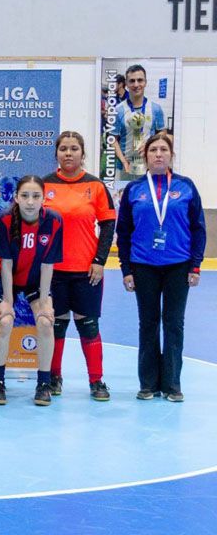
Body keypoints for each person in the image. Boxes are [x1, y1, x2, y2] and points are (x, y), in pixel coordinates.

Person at [116, 133, 206, 402]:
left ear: (171, 155)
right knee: (148, 323)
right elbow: (124, 232)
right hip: (143, 266)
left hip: (178, 266)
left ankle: (172, 385)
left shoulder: (186, 186)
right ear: (145, 156)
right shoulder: (134, 190)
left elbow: (198, 229)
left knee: (174, 324)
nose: (158, 154)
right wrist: (126, 269)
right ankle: (148, 384)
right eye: (153, 150)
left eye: (163, 150)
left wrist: (195, 266)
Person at [44, 132, 115, 401]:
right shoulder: (44, 184)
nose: (68, 153)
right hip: (53, 271)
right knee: (56, 326)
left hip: (87, 271)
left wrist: (99, 261)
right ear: (56, 153)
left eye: (74, 148)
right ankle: (54, 378)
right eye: (63, 148)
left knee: (88, 326)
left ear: (82, 153)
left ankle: (96, 381)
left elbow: (108, 225)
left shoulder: (95, 185)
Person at [0, 175, 63, 406]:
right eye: (25, 196)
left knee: (45, 322)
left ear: (44, 198)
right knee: (5, 321)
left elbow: (48, 265)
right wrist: (7, 302)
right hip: (6, 277)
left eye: (35, 196)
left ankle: (44, 384)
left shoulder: (54, 221)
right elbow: (6, 264)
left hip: (35, 279)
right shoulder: (4, 219)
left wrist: (45, 302)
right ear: (16, 198)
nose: (30, 202)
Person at [115, 64, 167, 180]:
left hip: (149, 165)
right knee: (124, 192)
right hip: (125, 167)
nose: (136, 84)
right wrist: (124, 162)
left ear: (145, 82)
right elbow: (113, 139)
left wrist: (149, 143)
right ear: (126, 84)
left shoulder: (155, 108)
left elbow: (162, 132)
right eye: (132, 81)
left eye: (140, 80)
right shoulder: (118, 110)